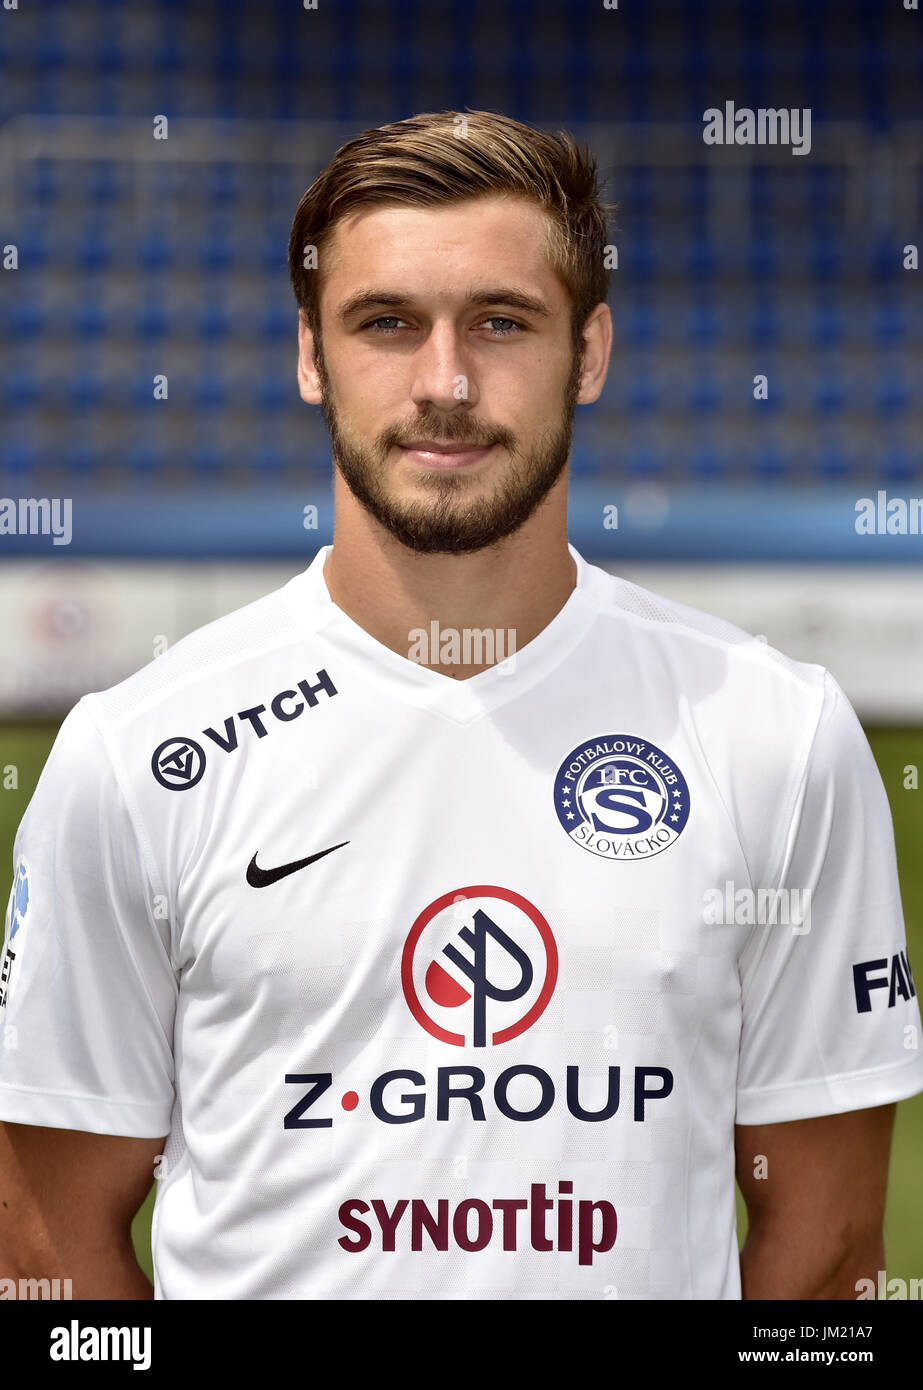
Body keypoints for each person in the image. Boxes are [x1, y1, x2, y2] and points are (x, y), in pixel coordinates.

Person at [0, 109, 920, 1300]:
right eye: (386, 324)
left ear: (587, 352)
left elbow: (833, 1255)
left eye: (500, 321)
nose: (445, 383)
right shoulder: (137, 756)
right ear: (309, 356)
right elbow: (44, 1252)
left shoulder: (774, 734)